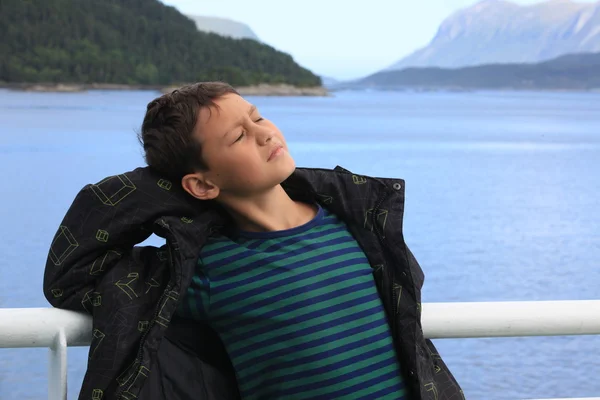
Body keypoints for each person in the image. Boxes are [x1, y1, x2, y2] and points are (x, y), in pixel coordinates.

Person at [43, 82, 463, 400]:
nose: (264, 134)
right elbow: (71, 275)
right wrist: (165, 187)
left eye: (257, 117)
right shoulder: (205, 269)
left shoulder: (355, 221)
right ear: (202, 183)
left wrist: (202, 177)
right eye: (238, 137)